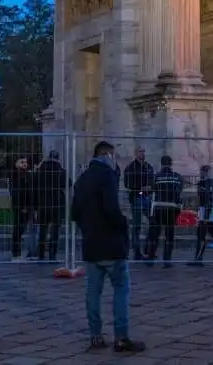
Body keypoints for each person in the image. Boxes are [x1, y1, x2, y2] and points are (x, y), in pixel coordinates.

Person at [71, 141, 146, 354]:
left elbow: (74, 213)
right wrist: (123, 223)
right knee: (121, 289)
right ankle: (121, 337)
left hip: (91, 244)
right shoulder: (107, 176)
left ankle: (95, 336)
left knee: (93, 292)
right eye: (113, 157)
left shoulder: (82, 179)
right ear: (106, 155)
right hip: (111, 243)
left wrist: (88, 226)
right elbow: (111, 207)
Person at [145, 155, 183, 268]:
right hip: (172, 208)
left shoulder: (157, 176)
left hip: (158, 208)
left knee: (155, 234)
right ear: (171, 163)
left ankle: (150, 258)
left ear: (161, 163)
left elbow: (151, 190)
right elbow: (179, 191)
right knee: (169, 235)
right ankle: (167, 260)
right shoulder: (177, 177)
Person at [123, 146, 155, 260]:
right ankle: (137, 252)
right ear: (135, 153)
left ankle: (149, 249)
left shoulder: (148, 167)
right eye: (140, 151)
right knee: (137, 226)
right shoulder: (130, 168)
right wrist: (141, 187)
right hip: (137, 196)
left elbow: (153, 180)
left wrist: (150, 187)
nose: (142, 153)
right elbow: (127, 183)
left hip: (147, 197)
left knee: (153, 222)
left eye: (143, 151)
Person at [35, 150, 67, 261]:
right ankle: (52, 254)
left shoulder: (40, 170)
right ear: (58, 158)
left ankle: (41, 253)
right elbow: (69, 183)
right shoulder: (61, 171)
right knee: (55, 230)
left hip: (43, 203)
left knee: (43, 229)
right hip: (57, 204)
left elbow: (35, 184)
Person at [9, 157, 33, 261]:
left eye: (26, 162)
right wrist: (22, 206)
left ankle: (18, 252)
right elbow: (17, 193)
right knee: (18, 230)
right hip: (20, 206)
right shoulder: (16, 176)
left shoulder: (26, 175)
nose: (25, 164)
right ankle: (16, 253)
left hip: (26, 206)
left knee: (21, 229)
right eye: (22, 162)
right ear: (16, 164)